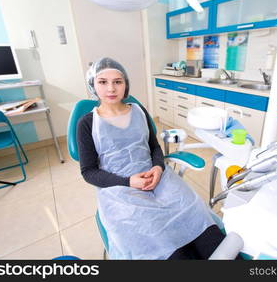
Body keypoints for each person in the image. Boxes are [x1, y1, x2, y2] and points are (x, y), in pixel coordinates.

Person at [77, 57, 226, 259]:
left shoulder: (139, 111)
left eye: (117, 82)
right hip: (120, 189)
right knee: (160, 241)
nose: (111, 88)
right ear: (93, 85)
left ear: (125, 84)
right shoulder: (87, 123)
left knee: (198, 221)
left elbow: (154, 147)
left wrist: (158, 168)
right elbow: (89, 172)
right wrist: (128, 181)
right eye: (103, 82)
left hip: (158, 178)